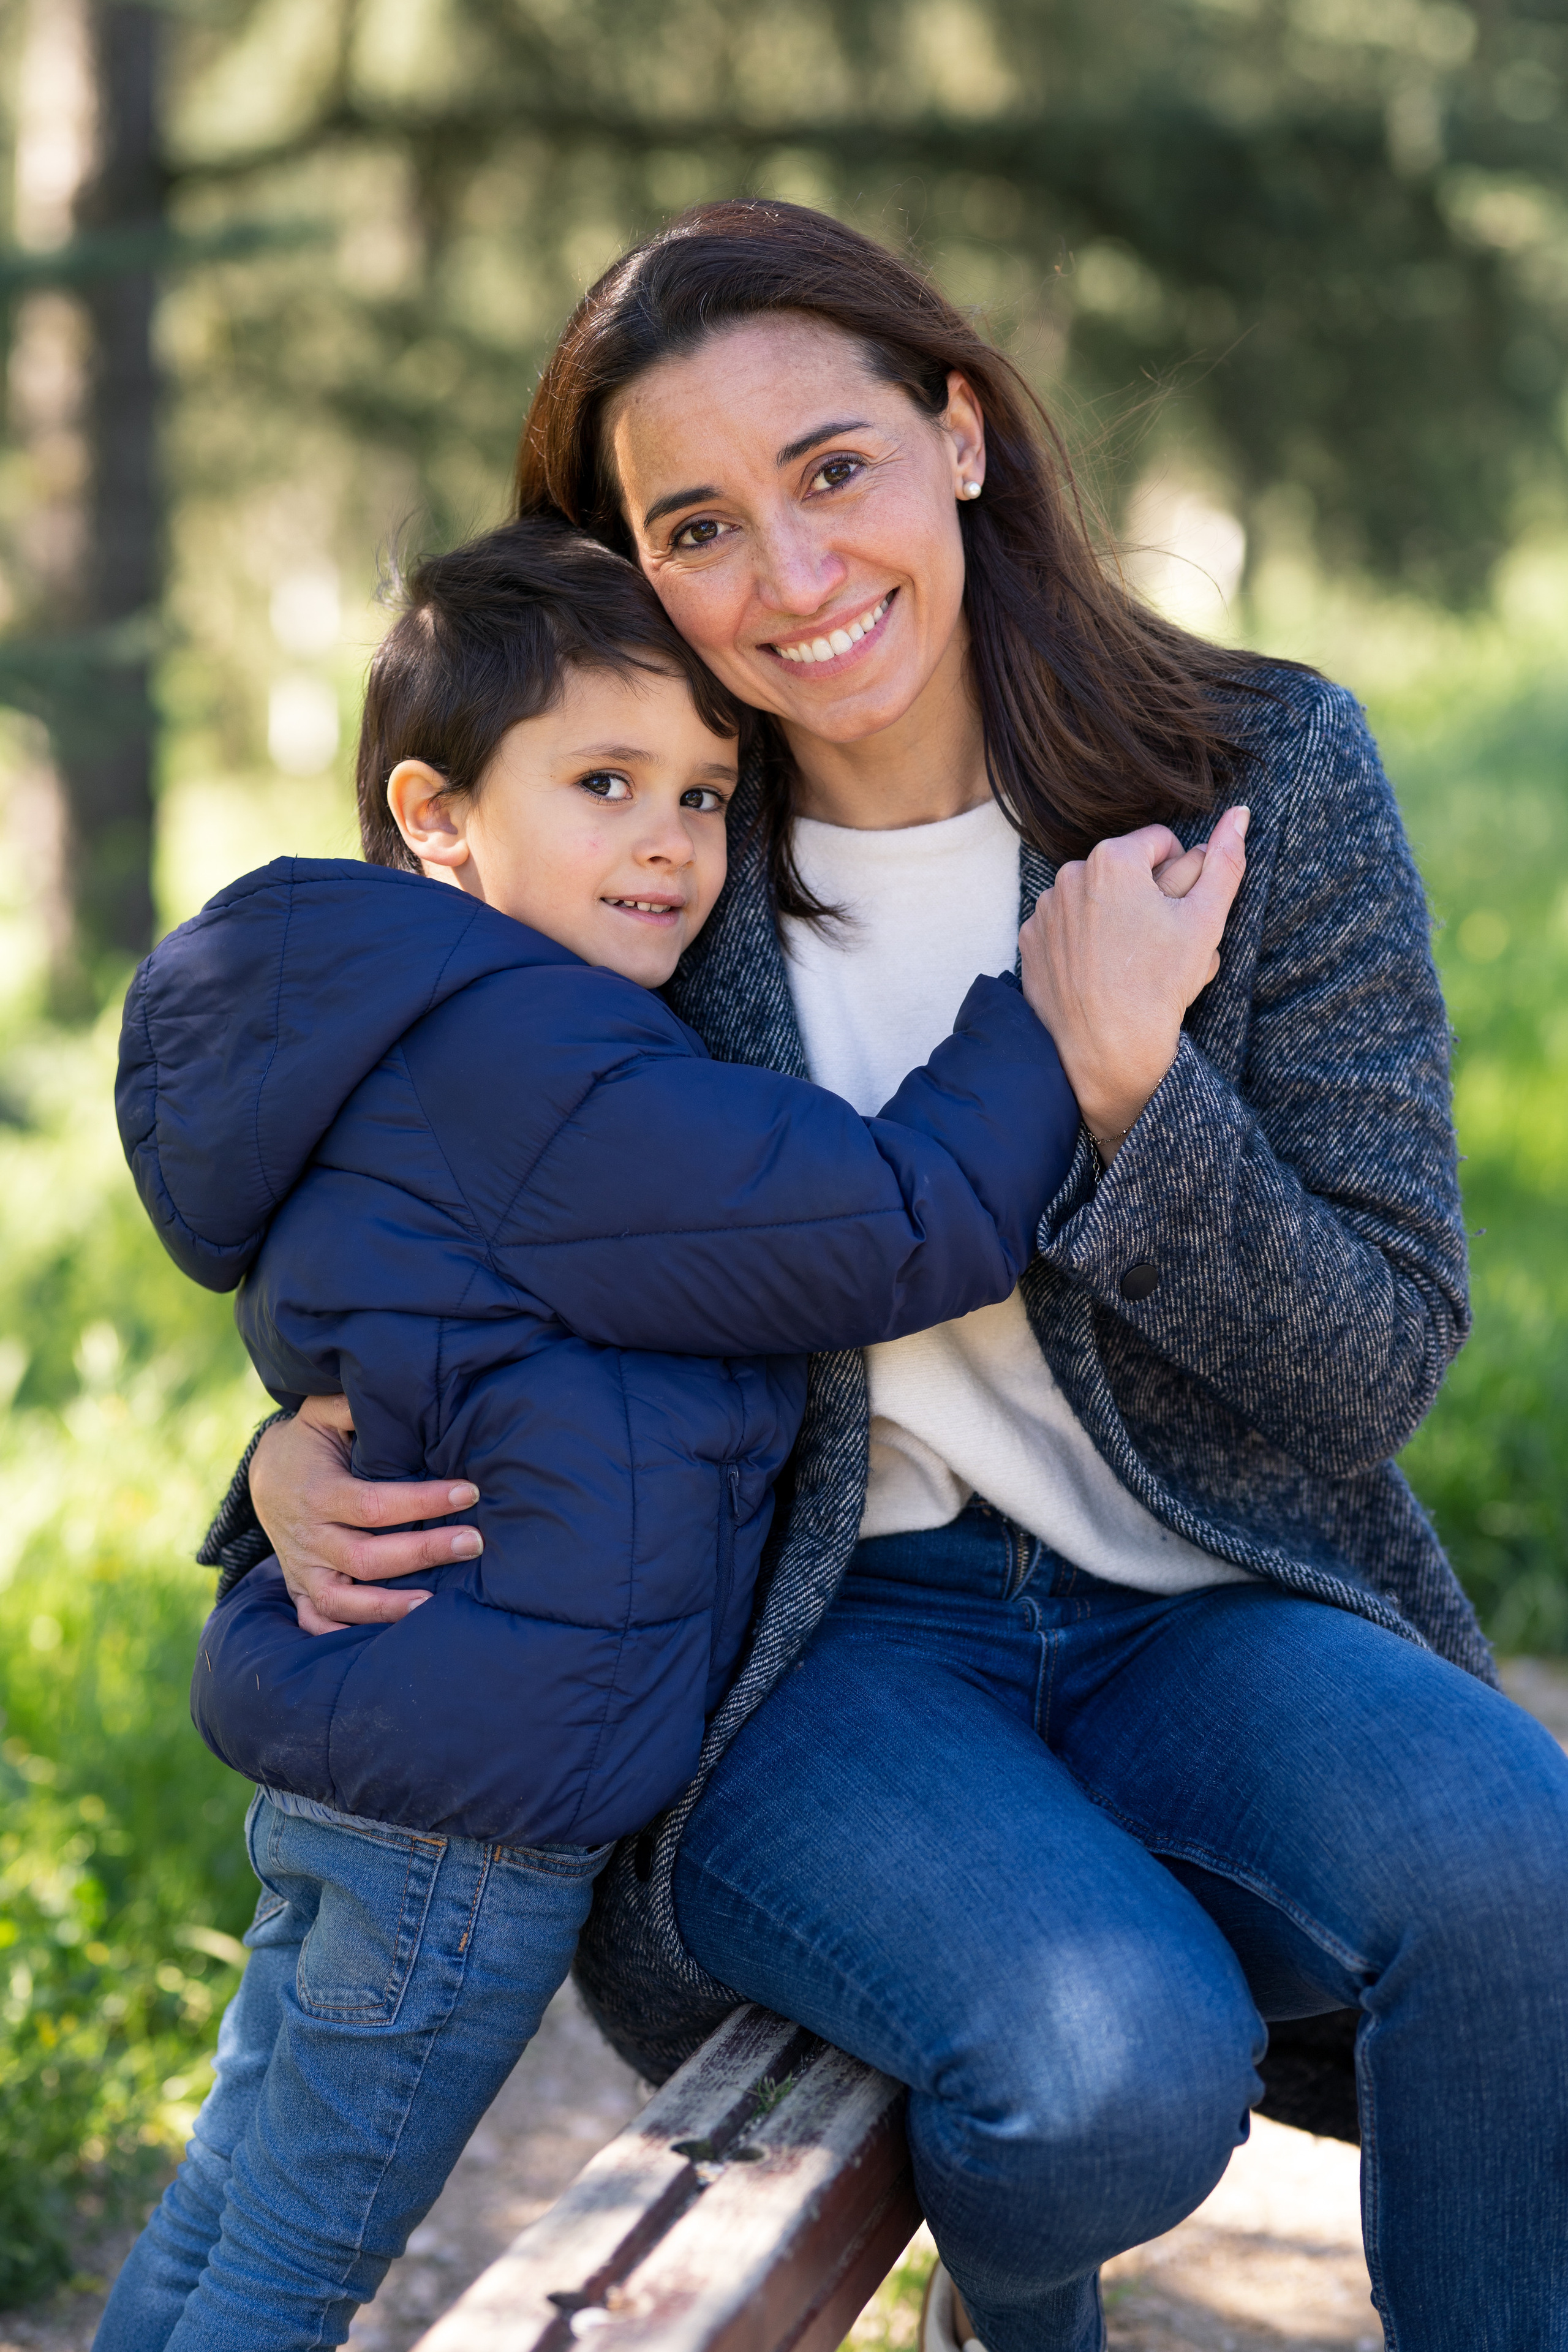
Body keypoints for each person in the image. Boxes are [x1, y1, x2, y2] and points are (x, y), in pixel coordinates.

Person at [194, 205, 1568, 2351]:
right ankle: (1012, 2316)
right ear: (627, 571)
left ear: (959, 436)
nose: (795, 577)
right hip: (808, 1654)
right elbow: (417, 1195)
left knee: (1517, 1864)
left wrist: (1137, 1100)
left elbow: (1380, 1352)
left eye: (833, 470)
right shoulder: (635, 845)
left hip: (1205, 1602)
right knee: (1106, 2071)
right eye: (698, 526)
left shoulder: (1251, 781)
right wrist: (276, 1458)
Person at [100, 516, 1094, 2352]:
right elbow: (893, 1222)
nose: (669, 842)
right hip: (473, 1803)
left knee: (234, 2197)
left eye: (709, 797)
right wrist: (1052, 1018)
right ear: (437, 811)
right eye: (606, 782)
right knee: (297, 2256)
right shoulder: (545, 1066)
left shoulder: (391, 1027)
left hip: (366, 1744)